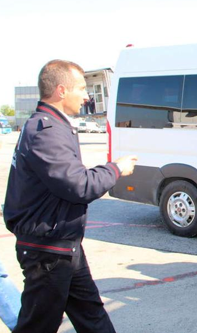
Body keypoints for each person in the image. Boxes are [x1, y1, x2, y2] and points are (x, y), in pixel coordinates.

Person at [3, 59, 138, 333]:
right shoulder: (46, 132)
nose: (87, 95)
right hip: (47, 251)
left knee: (92, 316)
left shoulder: (53, 125)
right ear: (61, 90)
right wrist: (116, 169)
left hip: (64, 244)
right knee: (38, 326)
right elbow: (78, 185)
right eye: (81, 88)